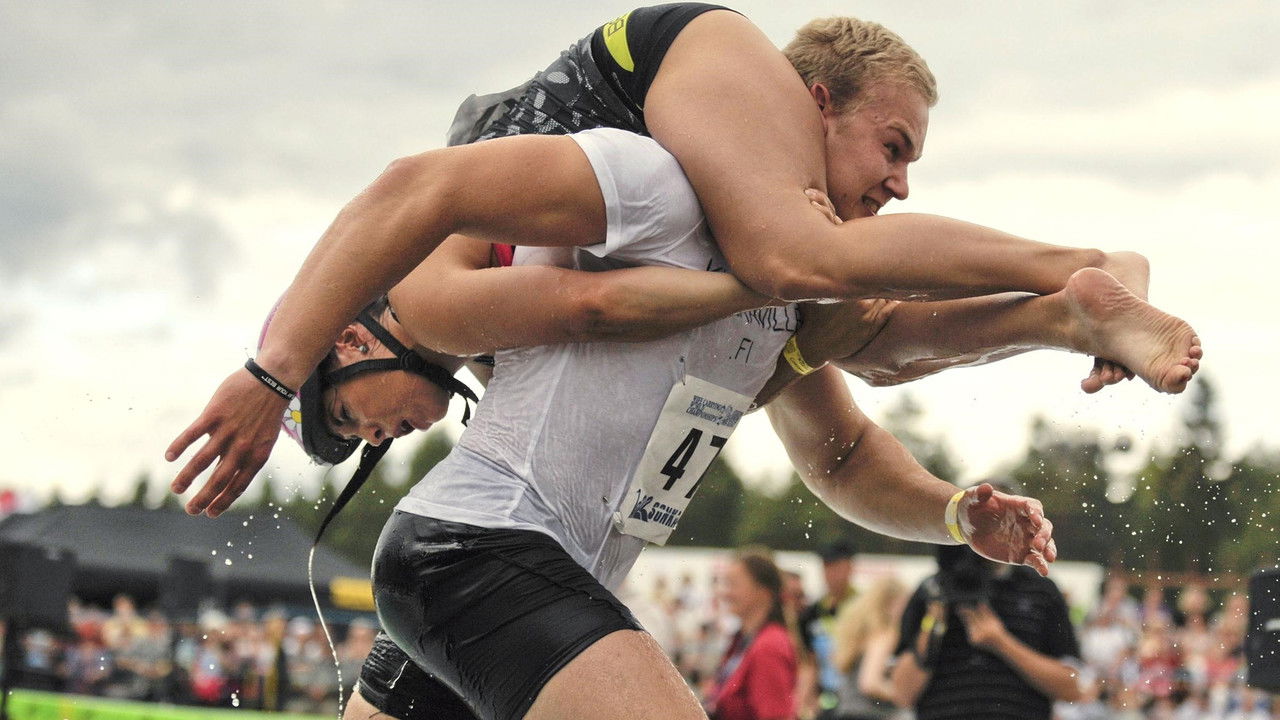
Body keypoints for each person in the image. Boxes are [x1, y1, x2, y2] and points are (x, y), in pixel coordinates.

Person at [166, 9, 1203, 513]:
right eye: (892, 153)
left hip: (653, 58)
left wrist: (268, 371)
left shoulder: (430, 291)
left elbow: (575, 293)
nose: (898, 187)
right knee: (838, 334)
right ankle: (1061, 311)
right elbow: (833, 448)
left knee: (801, 265)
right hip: (649, 113)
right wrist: (945, 512)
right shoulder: (483, 335)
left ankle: (1088, 265)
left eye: (351, 417)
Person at [890, 496, 1084, 720]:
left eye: (999, 521)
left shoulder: (1040, 590)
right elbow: (901, 694)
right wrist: (934, 622)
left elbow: (1072, 686)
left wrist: (1001, 642)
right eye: (981, 520)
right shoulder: (933, 591)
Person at [705, 550, 799, 720]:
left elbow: (775, 716)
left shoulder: (770, 645)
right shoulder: (744, 640)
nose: (725, 593)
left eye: (733, 585)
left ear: (763, 592)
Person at [829, 577, 908, 720]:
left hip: (846, 712)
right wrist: (904, 694)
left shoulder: (859, 638)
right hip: (872, 714)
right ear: (889, 604)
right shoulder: (885, 635)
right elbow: (870, 683)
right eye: (903, 605)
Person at [798, 540, 858, 717]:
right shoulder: (812, 612)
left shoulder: (863, 607)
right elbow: (810, 663)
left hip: (856, 699)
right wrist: (807, 699)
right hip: (826, 698)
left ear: (849, 568)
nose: (830, 574)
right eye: (826, 567)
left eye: (836, 567)